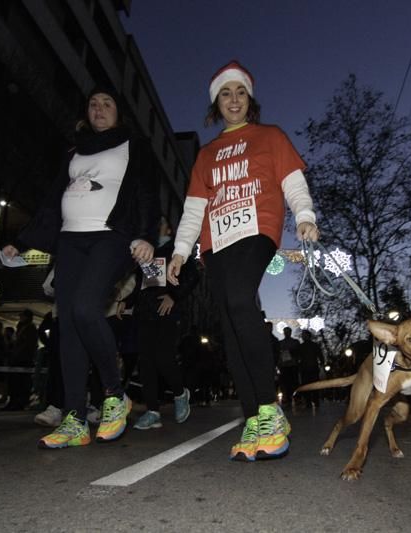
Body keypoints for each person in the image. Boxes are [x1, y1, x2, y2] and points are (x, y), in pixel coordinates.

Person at [167, 60, 319, 461]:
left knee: (238, 302)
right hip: (215, 242)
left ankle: (270, 409)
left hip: (256, 229)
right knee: (230, 324)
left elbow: (293, 182)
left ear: (249, 100)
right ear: (216, 103)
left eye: (240, 92)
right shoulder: (207, 154)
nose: (233, 100)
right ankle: (253, 419)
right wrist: (181, 251)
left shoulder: (270, 136)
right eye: (225, 93)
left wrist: (305, 217)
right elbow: (194, 208)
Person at [2, 85, 159, 449]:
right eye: (93, 104)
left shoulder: (134, 146)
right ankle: (74, 419)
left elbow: (148, 193)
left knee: (87, 309)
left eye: (107, 104)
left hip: (111, 236)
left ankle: (114, 394)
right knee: (68, 325)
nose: (99, 109)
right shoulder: (74, 150)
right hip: (70, 240)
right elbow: (51, 200)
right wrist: (23, 240)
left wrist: (147, 235)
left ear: (119, 112)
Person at [132, 217, 198, 430]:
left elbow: (192, 277)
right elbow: (137, 284)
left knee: (163, 356)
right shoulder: (143, 249)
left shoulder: (176, 249)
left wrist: (174, 297)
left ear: (168, 229)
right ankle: (152, 411)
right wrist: (124, 303)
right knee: (146, 362)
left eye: (159, 221)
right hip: (144, 312)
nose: (154, 224)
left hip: (167, 310)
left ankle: (180, 393)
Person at [3, 309, 37, 411]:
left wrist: (17, 353)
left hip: (22, 359)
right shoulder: (21, 327)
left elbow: (27, 345)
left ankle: (18, 402)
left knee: (20, 382)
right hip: (18, 358)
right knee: (14, 382)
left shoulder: (30, 328)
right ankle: (14, 402)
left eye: (23, 316)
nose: (21, 318)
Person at [296, 330, 325, 408]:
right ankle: (311, 402)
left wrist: (322, 364)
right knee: (309, 385)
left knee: (310, 385)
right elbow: (298, 358)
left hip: (311, 368)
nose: (302, 336)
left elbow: (320, 355)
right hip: (308, 368)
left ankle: (313, 402)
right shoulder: (302, 346)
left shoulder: (311, 346)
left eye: (304, 335)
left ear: (308, 336)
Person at [277, 326, 300, 408]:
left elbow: (298, 353)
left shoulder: (295, 342)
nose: (287, 333)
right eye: (285, 332)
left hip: (293, 365)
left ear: (290, 332)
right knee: (285, 383)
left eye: (288, 331)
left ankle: (296, 398)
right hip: (284, 366)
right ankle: (287, 399)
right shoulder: (280, 343)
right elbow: (278, 355)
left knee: (294, 383)